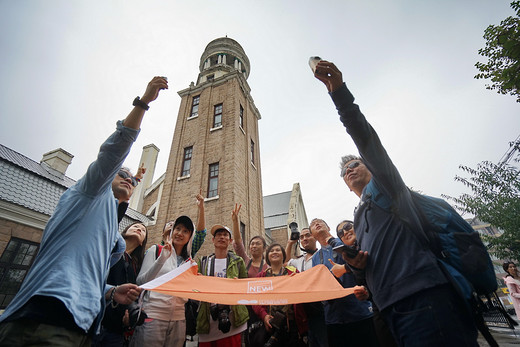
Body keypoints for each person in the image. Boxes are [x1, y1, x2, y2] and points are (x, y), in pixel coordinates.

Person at [314, 60, 478, 345]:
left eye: (354, 164)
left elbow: (367, 140)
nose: (349, 170)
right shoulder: (360, 217)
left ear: (371, 167)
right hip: (390, 308)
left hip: (424, 297)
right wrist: (357, 266)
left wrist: (339, 94)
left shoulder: (386, 187)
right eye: (344, 171)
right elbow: (371, 267)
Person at [0, 76, 167, 346]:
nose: (128, 179)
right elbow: (112, 152)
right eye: (121, 174)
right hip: (45, 318)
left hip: (82, 327)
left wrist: (111, 292)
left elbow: (84, 277)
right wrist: (143, 103)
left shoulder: (108, 223)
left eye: (132, 179)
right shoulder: (90, 192)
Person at [131, 190, 206, 347]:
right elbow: (141, 281)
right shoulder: (156, 250)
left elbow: (190, 292)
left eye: (185, 231)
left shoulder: (189, 262)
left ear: (190, 237)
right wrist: (162, 259)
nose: (180, 233)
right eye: (177, 228)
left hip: (179, 320)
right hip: (153, 316)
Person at [309, 218, 378, 347]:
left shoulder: (346, 243)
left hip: (360, 312)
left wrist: (344, 269)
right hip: (333, 318)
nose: (316, 223)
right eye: (312, 224)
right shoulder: (315, 258)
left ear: (329, 228)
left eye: (320, 222)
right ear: (312, 235)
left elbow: (362, 263)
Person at [330, 220, 397, 347]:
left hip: (400, 299)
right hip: (379, 309)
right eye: (340, 233)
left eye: (347, 227)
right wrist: (365, 293)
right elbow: (367, 284)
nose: (345, 232)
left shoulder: (372, 238)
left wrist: (345, 268)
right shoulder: (351, 258)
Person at [93, 222, 148, 347]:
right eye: (135, 226)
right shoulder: (109, 248)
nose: (139, 229)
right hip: (94, 320)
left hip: (115, 330)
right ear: (125, 231)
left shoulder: (136, 268)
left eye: (143, 230)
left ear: (142, 242)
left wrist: (129, 319)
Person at [196, 225, 249, 347]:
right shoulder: (203, 262)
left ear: (230, 241)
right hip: (208, 320)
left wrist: (238, 285)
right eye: (218, 235)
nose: (222, 237)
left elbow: (246, 286)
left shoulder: (238, 261)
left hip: (233, 318)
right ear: (213, 240)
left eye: (225, 235)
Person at [252, 243, 308, 347]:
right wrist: (264, 316)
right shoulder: (262, 276)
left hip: (291, 324)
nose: (274, 252)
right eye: (271, 251)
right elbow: (255, 300)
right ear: (267, 256)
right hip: (270, 324)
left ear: (283, 255)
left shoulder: (294, 273)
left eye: (278, 250)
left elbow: (304, 292)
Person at [285, 228, 325, 347]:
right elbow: (285, 262)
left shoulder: (322, 254)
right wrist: (290, 243)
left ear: (315, 238)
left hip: (322, 310)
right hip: (304, 313)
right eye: (301, 237)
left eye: (308, 235)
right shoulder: (299, 260)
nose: (304, 239)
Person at [231, 204, 269, 278]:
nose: (254, 246)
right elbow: (238, 243)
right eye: (252, 244)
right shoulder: (245, 261)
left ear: (264, 248)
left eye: (258, 244)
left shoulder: (268, 266)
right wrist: (235, 221)